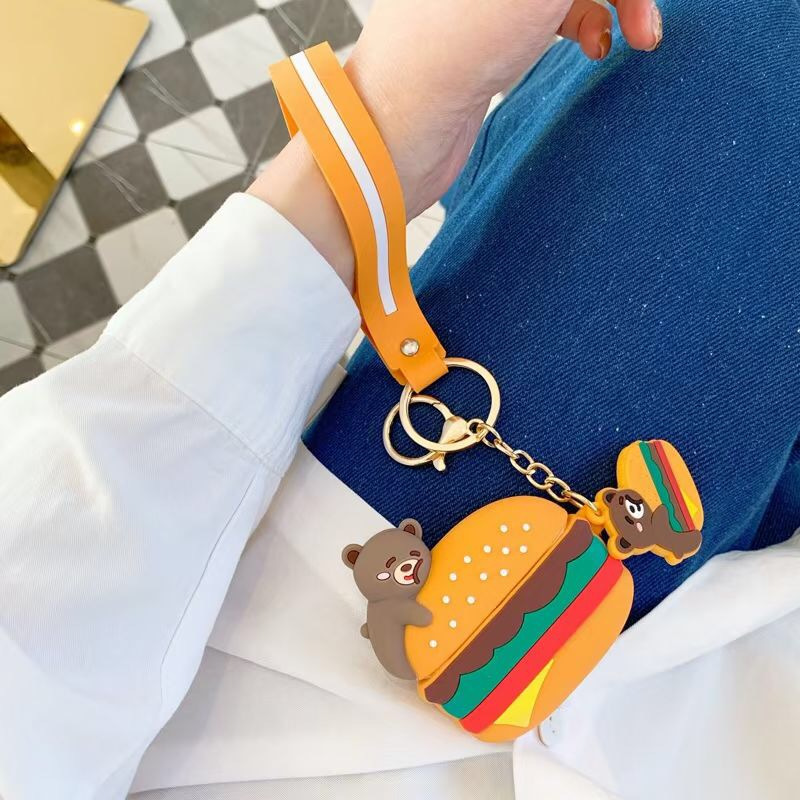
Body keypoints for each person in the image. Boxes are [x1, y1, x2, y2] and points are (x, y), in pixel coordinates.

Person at [1, 2, 798, 799]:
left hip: (357, 594)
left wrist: (379, 135)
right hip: (723, 730)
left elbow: (52, 607)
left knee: (739, 47)